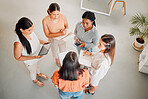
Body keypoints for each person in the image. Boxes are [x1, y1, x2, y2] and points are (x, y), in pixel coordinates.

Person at [14, 17, 49, 87]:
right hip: (30, 61)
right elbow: (18, 57)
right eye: (29, 30)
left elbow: (36, 40)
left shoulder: (31, 32)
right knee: (32, 71)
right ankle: (34, 79)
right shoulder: (18, 44)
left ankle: (38, 73)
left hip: (38, 55)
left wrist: (43, 42)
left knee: (38, 66)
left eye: (32, 28)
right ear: (22, 30)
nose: (32, 31)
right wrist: (33, 57)